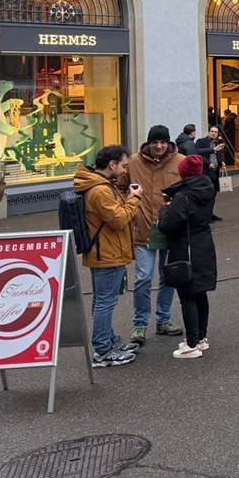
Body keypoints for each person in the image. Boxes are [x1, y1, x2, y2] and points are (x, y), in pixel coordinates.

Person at [73, 145, 142, 367]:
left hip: (105, 252)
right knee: (105, 302)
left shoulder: (99, 185)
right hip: (107, 254)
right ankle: (103, 350)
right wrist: (134, 199)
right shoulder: (101, 190)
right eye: (123, 166)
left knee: (102, 301)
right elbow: (119, 219)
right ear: (111, 164)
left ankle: (109, 341)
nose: (124, 171)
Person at [126, 125, 184, 345]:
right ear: (148, 143)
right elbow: (119, 187)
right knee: (143, 278)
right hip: (142, 230)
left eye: (162, 142)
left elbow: (189, 190)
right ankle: (139, 325)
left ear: (168, 143)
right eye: (154, 142)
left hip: (170, 230)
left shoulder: (180, 161)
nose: (158, 146)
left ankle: (163, 320)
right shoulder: (133, 162)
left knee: (169, 277)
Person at [159, 155, 219, 360]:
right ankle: (201, 337)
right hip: (204, 244)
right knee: (200, 292)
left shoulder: (182, 196)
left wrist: (163, 210)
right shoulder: (207, 189)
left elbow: (168, 225)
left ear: (183, 172)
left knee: (187, 295)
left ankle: (192, 343)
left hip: (186, 247)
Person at [195, 126, 224, 221]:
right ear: (208, 132)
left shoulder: (218, 142)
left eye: (216, 132)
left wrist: (221, 162)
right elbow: (198, 153)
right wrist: (208, 163)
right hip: (206, 172)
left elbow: (219, 155)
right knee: (206, 195)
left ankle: (210, 214)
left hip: (215, 172)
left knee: (213, 195)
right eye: (212, 131)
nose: (214, 133)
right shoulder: (201, 141)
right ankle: (205, 216)